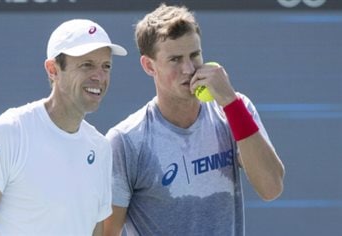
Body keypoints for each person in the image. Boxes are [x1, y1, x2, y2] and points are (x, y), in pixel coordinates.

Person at [103, 4, 285, 236]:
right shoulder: (125, 141)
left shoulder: (234, 109)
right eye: (175, 59)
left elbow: (271, 188)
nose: (189, 69)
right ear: (149, 66)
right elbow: (107, 233)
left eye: (194, 55)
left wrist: (230, 102)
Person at [0, 19, 127, 236]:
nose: (99, 76)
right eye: (87, 65)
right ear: (53, 70)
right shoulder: (7, 132)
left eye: (106, 66)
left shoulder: (101, 148)